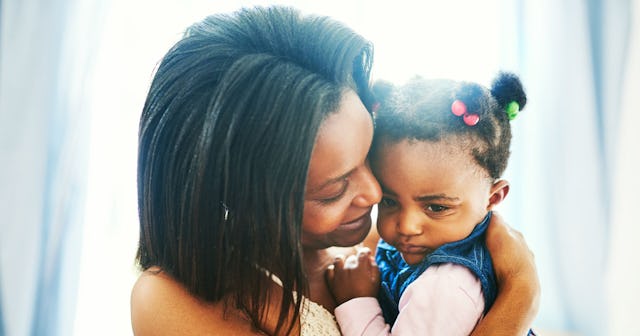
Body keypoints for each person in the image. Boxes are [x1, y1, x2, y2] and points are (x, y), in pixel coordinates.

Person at [130, 6, 539, 336]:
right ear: (243, 196)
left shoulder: (394, 241)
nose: (376, 193)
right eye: (334, 190)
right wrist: (521, 294)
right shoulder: (170, 299)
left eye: (369, 157)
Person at [327, 73, 535, 335]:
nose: (407, 226)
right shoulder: (427, 247)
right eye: (389, 201)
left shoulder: (446, 286)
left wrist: (356, 300)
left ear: (492, 198)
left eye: (436, 207)